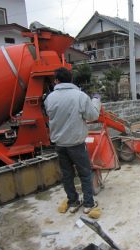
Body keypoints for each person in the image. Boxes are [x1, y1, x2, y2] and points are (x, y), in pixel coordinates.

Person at [44, 67, 101, 213]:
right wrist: (96, 101)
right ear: (71, 80)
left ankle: (73, 202)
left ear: (56, 80)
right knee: (84, 173)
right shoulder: (80, 96)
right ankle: (88, 204)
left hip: (60, 145)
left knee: (67, 174)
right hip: (76, 144)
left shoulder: (50, 98)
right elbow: (93, 115)